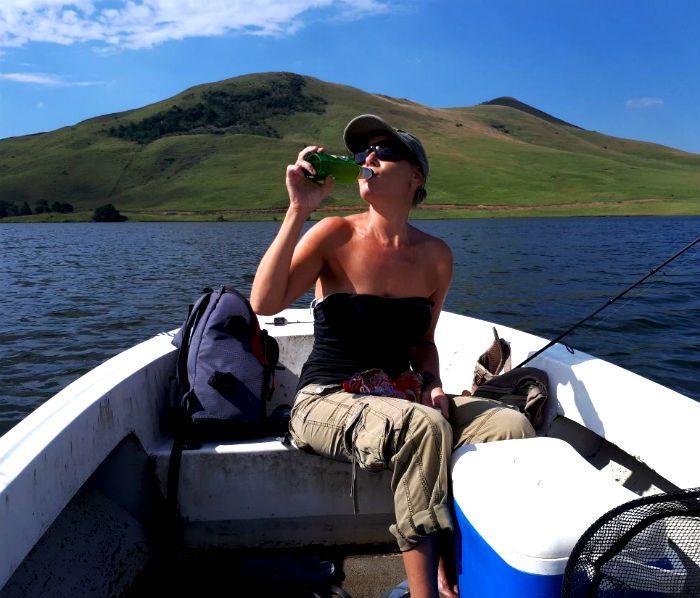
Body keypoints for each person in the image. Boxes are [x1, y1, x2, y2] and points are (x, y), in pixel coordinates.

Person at [250, 114, 535, 598]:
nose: (368, 159)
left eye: (383, 152)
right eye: (363, 153)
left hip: (398, 394)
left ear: (415, 176)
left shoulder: (436, 256)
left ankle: (479, 565)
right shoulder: (334, 234)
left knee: (511, 426)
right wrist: (299, 208)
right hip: (325, 399)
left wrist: (432, 383)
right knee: (422, 427)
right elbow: (264, 302)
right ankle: (431, 591)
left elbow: (424, 342)